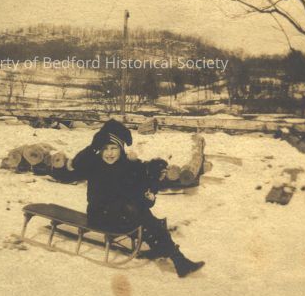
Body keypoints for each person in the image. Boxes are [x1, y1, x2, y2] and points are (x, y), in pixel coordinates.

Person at [68, 119, 205, 278]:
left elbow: (144, 194)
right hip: (99, 215)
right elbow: (76, 165)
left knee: (141, 212)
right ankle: (175, 256)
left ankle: (174, 256)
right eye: (105, 149)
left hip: (122, 214)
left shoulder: (128, 166)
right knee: (138, 213)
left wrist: (152, 177)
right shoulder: (94, 164)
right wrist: (93, 147)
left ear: (121, 149)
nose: (109, 153)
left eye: (114, 148)